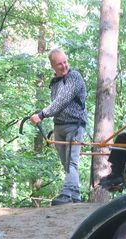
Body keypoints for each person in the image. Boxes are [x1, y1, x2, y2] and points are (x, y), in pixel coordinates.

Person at [31, 48, 87, 206]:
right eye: (59, 64)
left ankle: (67, 194)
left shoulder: (74, 77)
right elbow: (55, 104)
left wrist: (41, 114)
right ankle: (75, 196)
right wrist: (41, 114)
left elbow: (62, 100)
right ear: (52, 66)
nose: (64, 66)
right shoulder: (54, 82)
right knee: (66, 164)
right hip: (59, 126)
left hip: (74, 126)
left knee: (72, 162)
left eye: (65, 62)